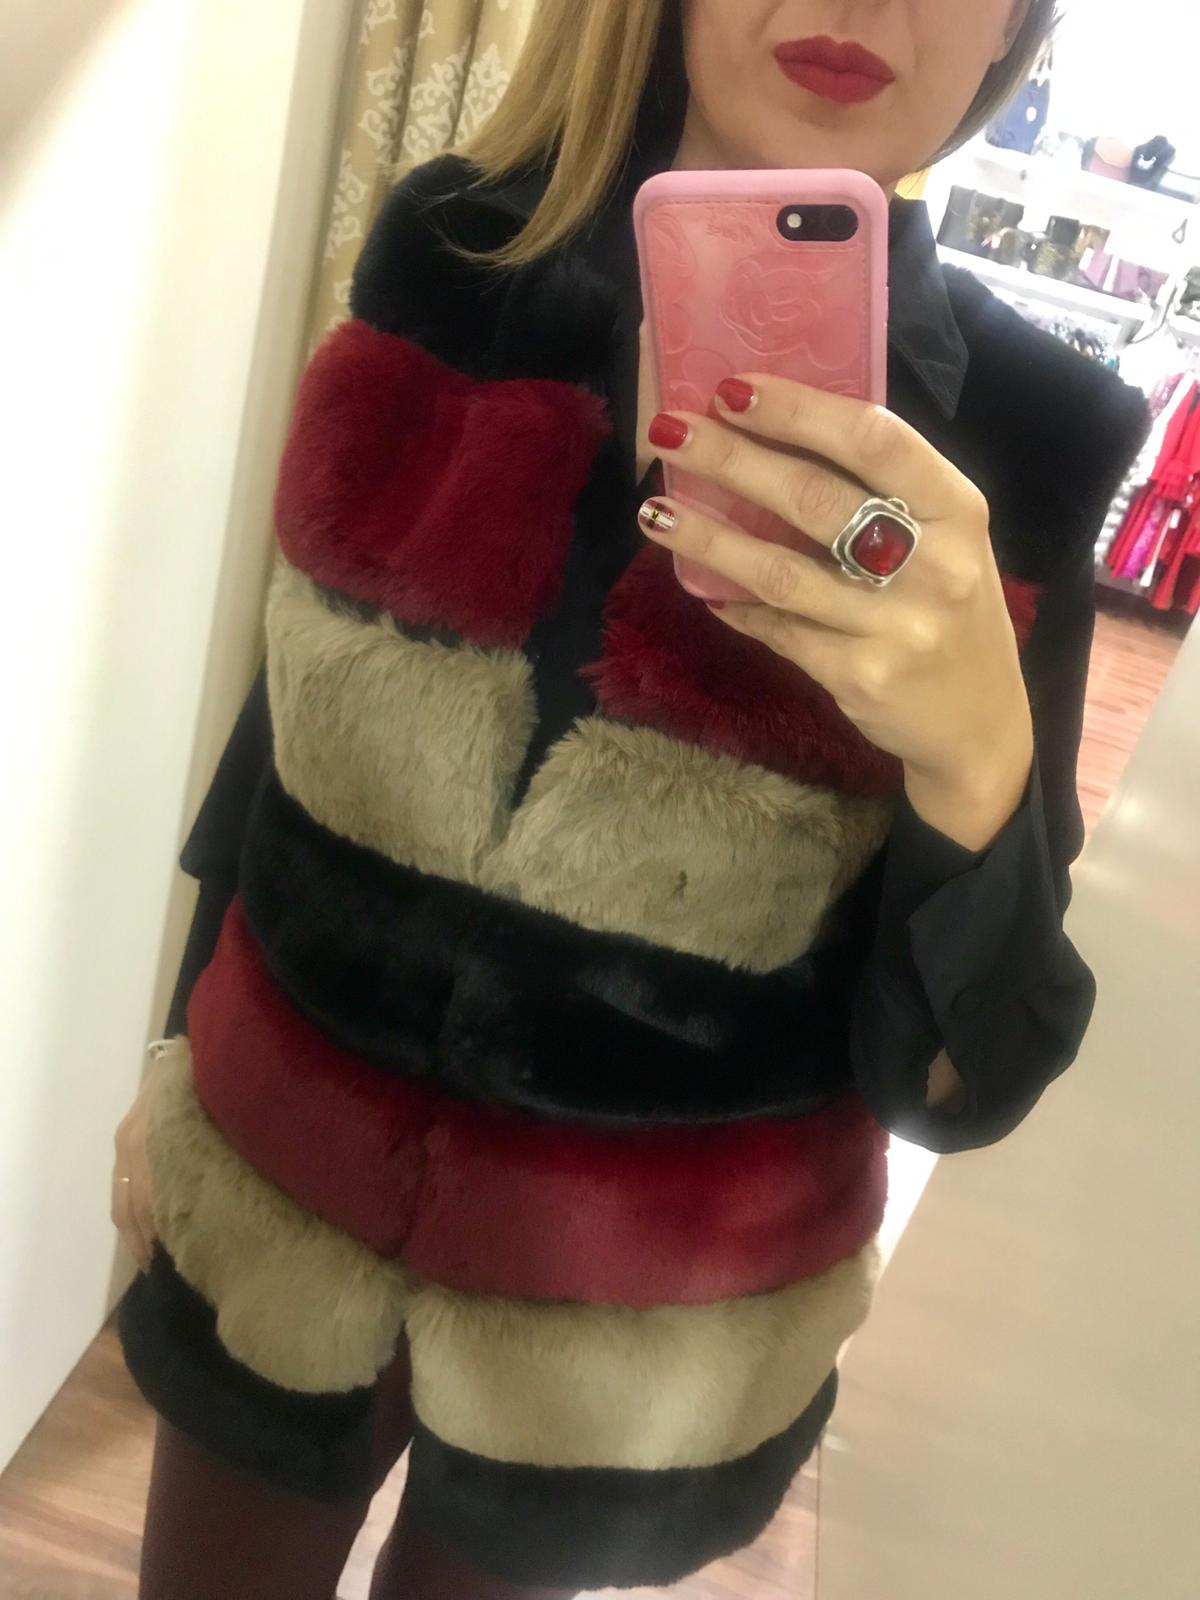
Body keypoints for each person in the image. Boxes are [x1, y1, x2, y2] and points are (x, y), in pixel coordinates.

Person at [110, 2, 1149, 1596]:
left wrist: (972, 762)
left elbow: (963, 1078)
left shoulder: (1030, 444)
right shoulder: (449, 252)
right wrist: (178, 1046)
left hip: (626, 1350)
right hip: (275, 1193)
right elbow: (286, 726)